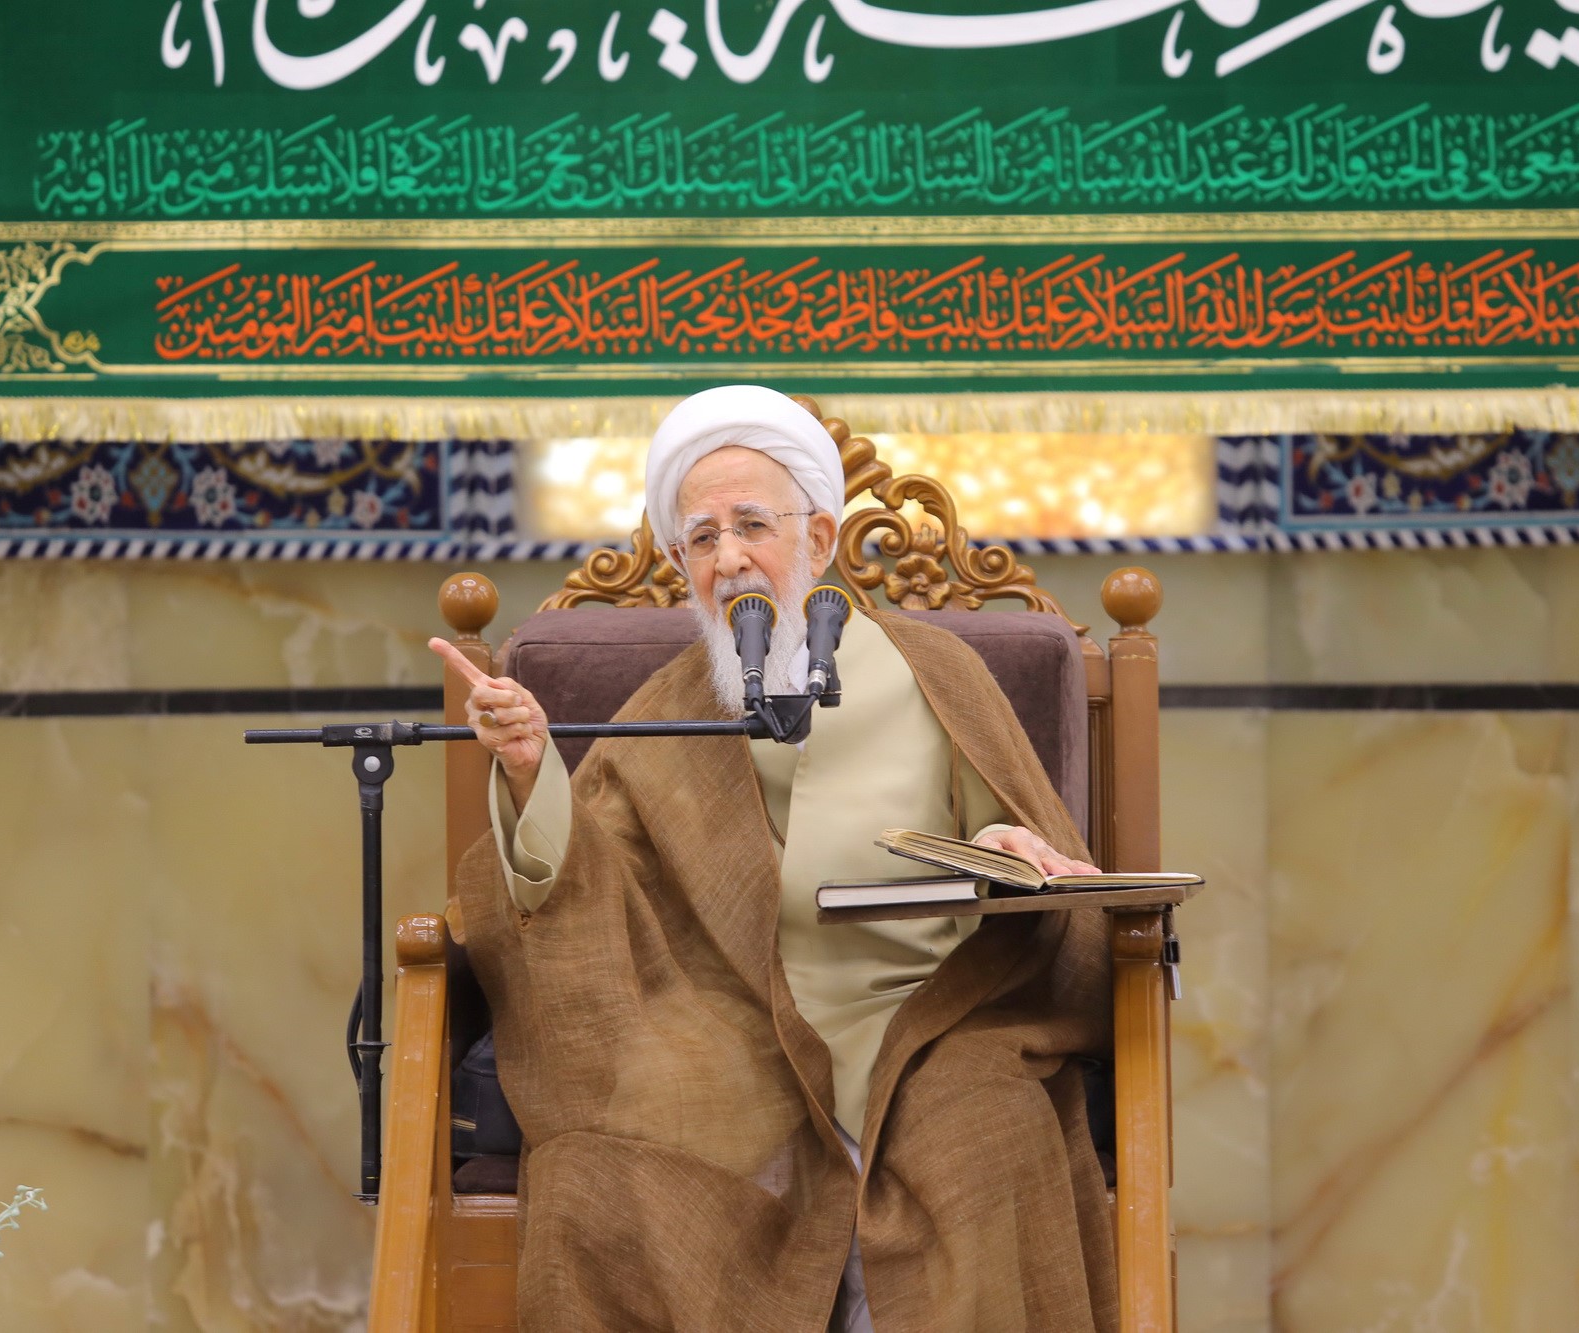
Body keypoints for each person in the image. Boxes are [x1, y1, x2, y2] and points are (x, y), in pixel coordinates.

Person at [428, 386, 1114, 1332]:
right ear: (680, 564)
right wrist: (528, 768)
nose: (731, 559)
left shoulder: (936, 672)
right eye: (702, 539)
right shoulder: (672, 705)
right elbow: (594, 885)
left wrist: (1011, 850)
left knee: (986, 1138)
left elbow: (1036, 850)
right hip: (737, 1024)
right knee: (603, 1165)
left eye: (753, 526)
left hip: (934, 1019)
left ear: (820, 539)